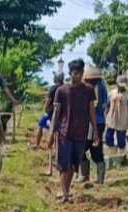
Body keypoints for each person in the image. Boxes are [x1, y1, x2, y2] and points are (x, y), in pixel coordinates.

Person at [48, 58, 98, 203]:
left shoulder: (88, 90)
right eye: (75, 73)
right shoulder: (61, 91)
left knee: (73, 165)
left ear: (83, 73)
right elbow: (56, 113)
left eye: (80, 73)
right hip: (65, 132)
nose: (77, 76)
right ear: (70, 73)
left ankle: (66, 190)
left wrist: (95, 131)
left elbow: (91, 111)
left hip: (81, 133)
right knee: (64, 165)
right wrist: (51, 133)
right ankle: (64, 194)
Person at [81, 65, 108, 184]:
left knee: (93, 148)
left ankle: (95, 177)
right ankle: (88, 176)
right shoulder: (101, 86)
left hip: (94, 122)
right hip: (97, 122)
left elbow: (94, 105)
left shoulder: (95, 88)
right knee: (88, 148)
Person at [105, 75, 128, 154]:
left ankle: (121, 153)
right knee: (108, 137)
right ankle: (112, 149)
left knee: (121, 139)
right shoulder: (111, 93)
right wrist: (105, 115)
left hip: (122, 118)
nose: (121, 87)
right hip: (112, 118)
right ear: (117, 84)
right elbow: (107, 105)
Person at [35, 72, 64, 149]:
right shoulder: (64, 88)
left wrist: (45, 109)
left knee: (40, 125)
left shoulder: (53, 88)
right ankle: (54, 147)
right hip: (61, 113)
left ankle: (37, 144)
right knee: (56, 131)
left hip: (50, 111)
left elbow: (48, 100)